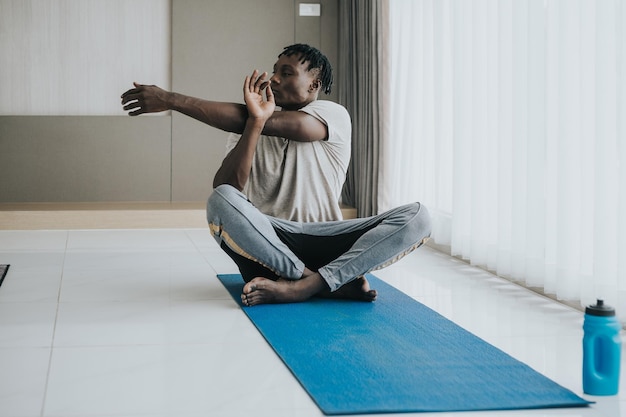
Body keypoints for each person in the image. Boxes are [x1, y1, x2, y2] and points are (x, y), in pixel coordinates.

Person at [122, 44, 431, 306]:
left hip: (326, 238)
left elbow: (296, 127)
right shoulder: (250, 124)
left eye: (287, 73)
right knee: (220, 200)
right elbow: (228, 187)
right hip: (268, 248)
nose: (274, 78)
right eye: (274, 71)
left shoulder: (332, 114)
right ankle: (321, 281)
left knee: (419, 217)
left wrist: (172, 100)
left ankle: (304, 286)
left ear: (313, 84)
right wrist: (254, 123)